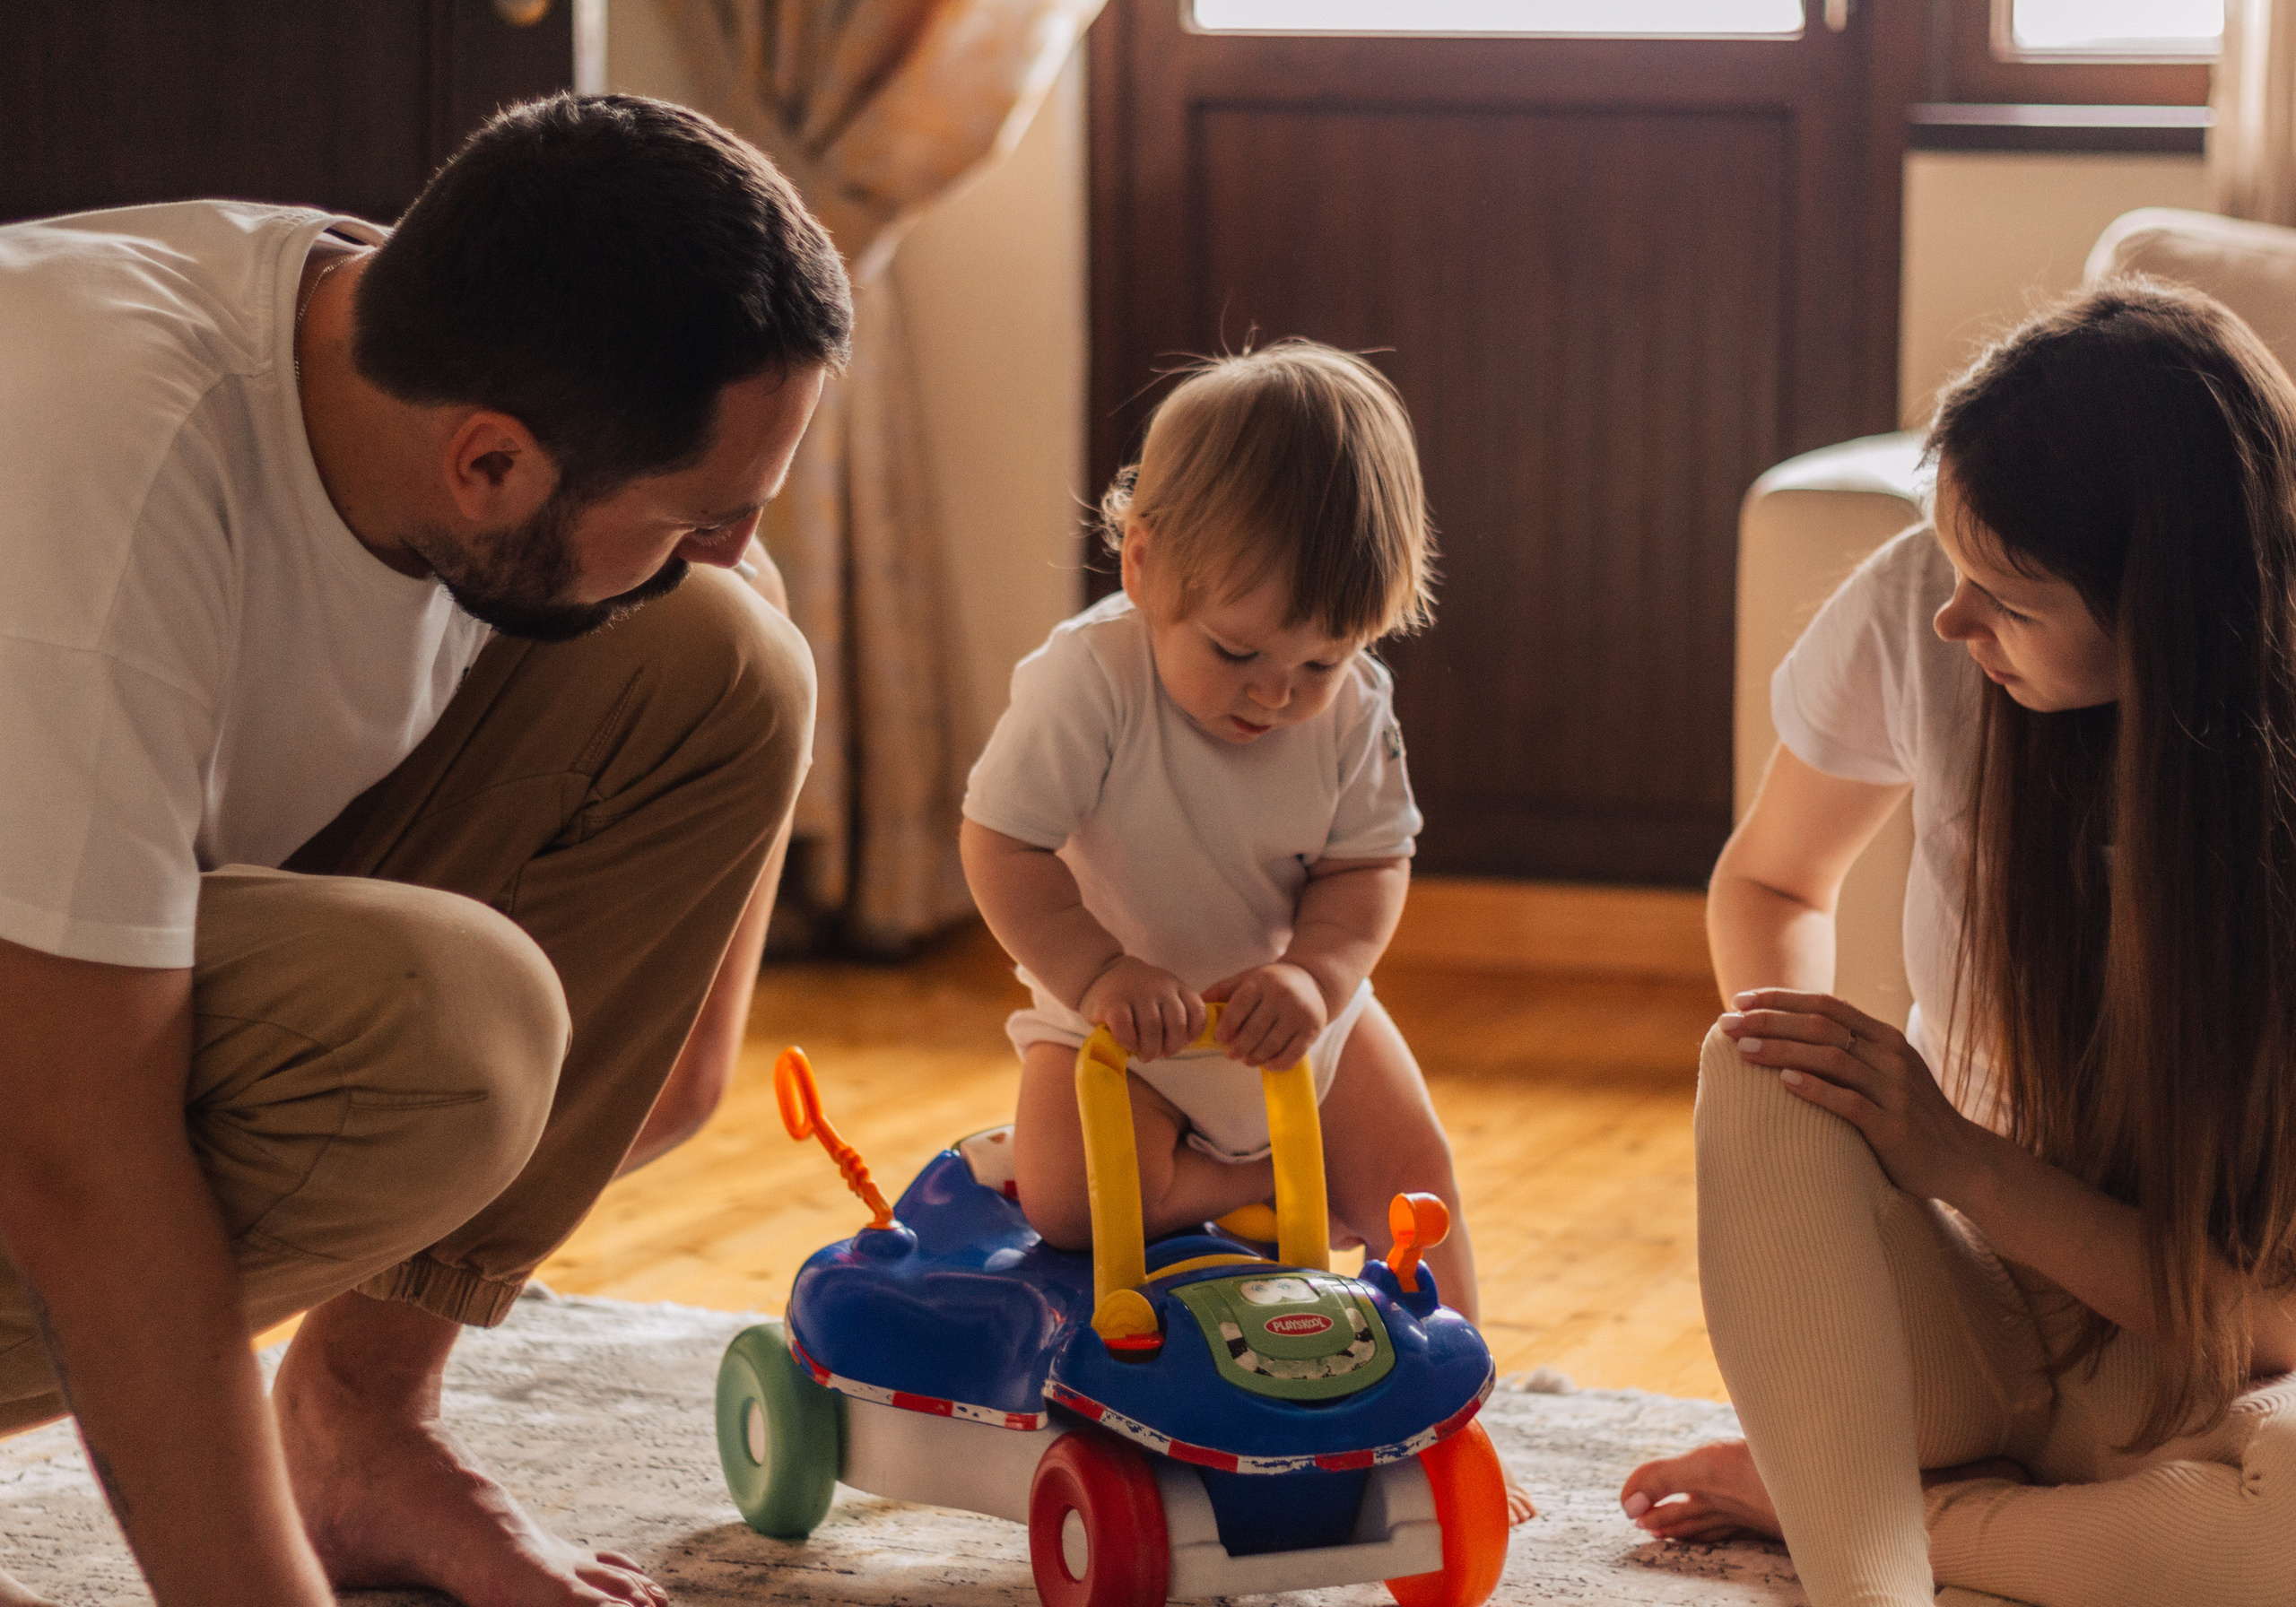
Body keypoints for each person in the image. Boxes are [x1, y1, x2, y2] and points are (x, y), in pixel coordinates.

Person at [0, 93, 851, 1606]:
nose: (728, 544)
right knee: (440, 1031)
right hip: (34, 1088)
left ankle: (360, 1424)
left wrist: (679, 1007)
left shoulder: (402, 347)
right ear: (492, 467)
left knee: (719, 659)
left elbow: (720, 620)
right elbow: (73, 1158)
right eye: (700, 513)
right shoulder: (100, 483)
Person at [1618, 282, 2296, 1605]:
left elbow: (2267, 1321)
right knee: (1760, 1060)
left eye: (2007, 595)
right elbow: (1768, 877)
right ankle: (1875, 1569)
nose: (1952, 617)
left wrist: (1963, 1160)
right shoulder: (1923, 612)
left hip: (2209, 1360)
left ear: (2166, 615)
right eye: (1952, 564)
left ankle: (1887, 1509)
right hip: (1964, 1316)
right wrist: (1842, 1133)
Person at [961, 341, 1532, 1523]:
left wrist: (1321, 978)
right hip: (1117, 1029)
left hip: (1293, 1020)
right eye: (1238, 652)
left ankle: (1460, 1423)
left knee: (1421, 1183)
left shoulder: (1354, 704)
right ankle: (1244, 1188)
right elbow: (999, 845)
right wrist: (1099, 970)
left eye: (1321, 660)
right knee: (1067, 1205)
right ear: (1144, 559)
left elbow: (1370, 867)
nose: (1277, 693)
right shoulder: (1086, 682)